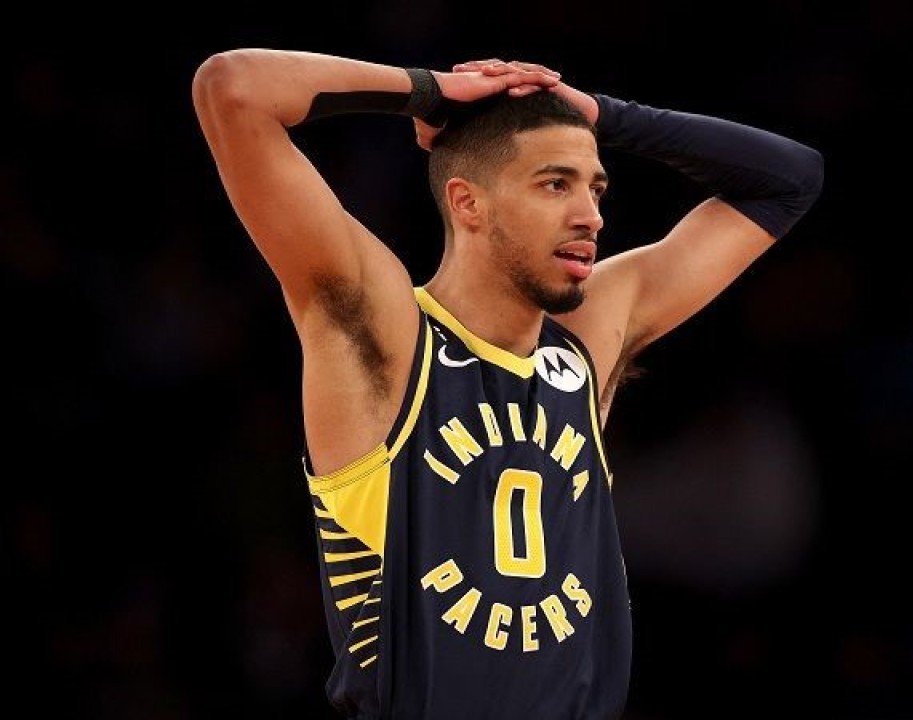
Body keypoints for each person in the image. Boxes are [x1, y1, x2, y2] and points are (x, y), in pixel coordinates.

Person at [192, 48, 824, 719]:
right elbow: (235, 89)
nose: (591, 216)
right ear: (468, 203)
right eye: (556, 184)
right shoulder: (385, 332)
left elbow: (790, 178)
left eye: (596, 187)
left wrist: (596, 113)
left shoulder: (585, 343)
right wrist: (434, 93)